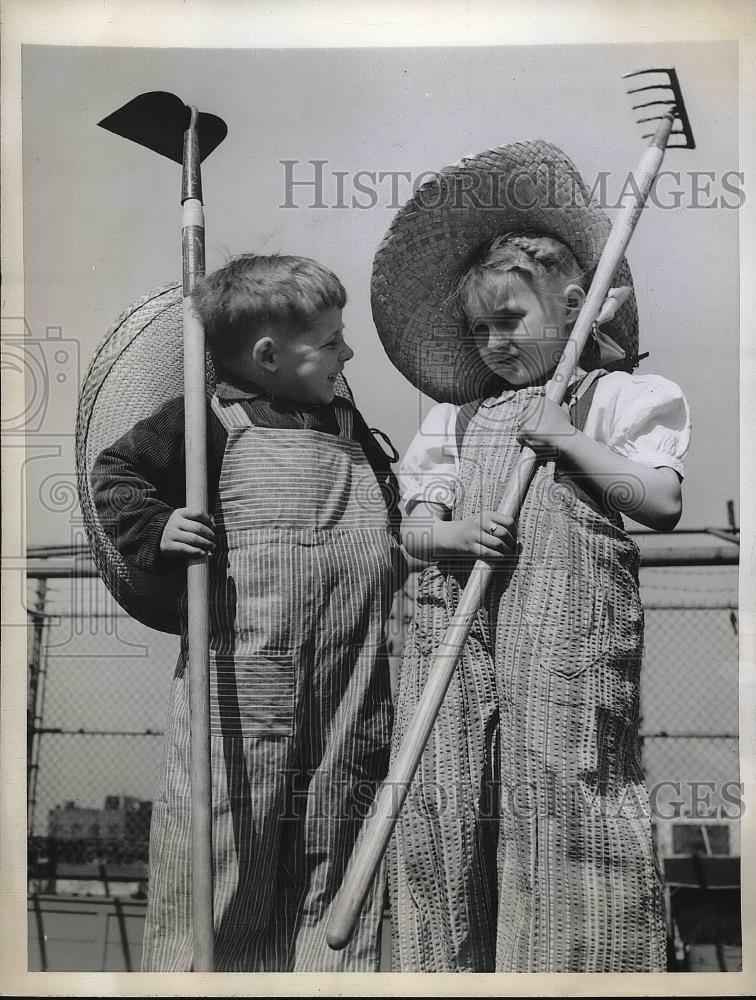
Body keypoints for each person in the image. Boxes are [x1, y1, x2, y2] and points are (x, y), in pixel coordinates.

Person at [370, 141, 691, 972]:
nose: (493, 343)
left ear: (577, 305)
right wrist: (448, 537)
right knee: (447, 797)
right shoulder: (459, 418)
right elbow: (407, 528)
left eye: (510, 320)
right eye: (479, 329)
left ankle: (578, 968)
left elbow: (660, 503)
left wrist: (569, 442)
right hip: (459, 631)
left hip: (566, 633)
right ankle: (449, 968)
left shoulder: (619, 398)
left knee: (560, 786)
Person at [91, 253, 404, 972]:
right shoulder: (208, 422)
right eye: (330, 340)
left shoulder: (350, 426)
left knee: (336, 845)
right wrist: (158, 528)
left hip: (353, 686)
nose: (347, 351)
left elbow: (389, 523)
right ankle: (200, 980)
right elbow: (118, 475)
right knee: (229, 845)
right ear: (267, 357)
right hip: (244, 691)